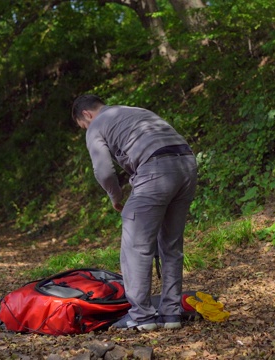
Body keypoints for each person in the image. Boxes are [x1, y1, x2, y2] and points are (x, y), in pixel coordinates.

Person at [71, 94, 198, 331]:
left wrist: (115, 196)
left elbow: (104, 171)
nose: (86, 129)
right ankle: (171, 314)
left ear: (87, 115)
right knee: (170, 244)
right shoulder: (132, 110)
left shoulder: (96, 124)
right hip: (187, 166)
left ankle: (142, 317)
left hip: (155, 168)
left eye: (83, 126)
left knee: (135, 246)